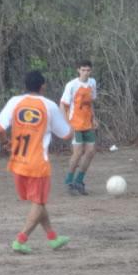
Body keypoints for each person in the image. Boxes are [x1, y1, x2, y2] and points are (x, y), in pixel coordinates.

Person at [0, 70, 73, 254]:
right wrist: (69, 117)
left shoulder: (15, 102)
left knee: (39, 202)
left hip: (18, 161)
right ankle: (21, 240)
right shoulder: (49, 105)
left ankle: (53, 238)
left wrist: (5, 143)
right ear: (42, 86)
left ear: (25, 86)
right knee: (38, 203)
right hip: (38, 163)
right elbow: (67, 134)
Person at [60, 60, 98, 195]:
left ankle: (79, 181)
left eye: (88, 70)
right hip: (75, 124)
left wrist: (94, 118)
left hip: (87, 123)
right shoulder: (72, 85)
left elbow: (90, 103)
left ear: (91, 71)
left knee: (91, 151)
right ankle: (69, 181)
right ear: (78, 70)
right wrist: (66, 124)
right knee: (78, 153)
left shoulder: (92, 83)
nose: (86, 72)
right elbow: (63, 105)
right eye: (83, 70)